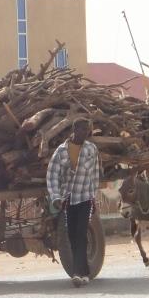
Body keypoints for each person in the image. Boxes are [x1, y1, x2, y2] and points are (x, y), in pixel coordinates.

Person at [47, 118, 101, 287]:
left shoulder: (91, 149)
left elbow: (95, 174)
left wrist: (94, 195)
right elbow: (52, 174)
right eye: (82, 129)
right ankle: (85, 272)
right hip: (67, 198)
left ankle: (77, 273)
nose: (84, 133)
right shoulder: (61, 151)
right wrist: (55, 196)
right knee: (72, 235)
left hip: (85, 197)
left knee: (80, 232)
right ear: (74, 129)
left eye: (87, 130)